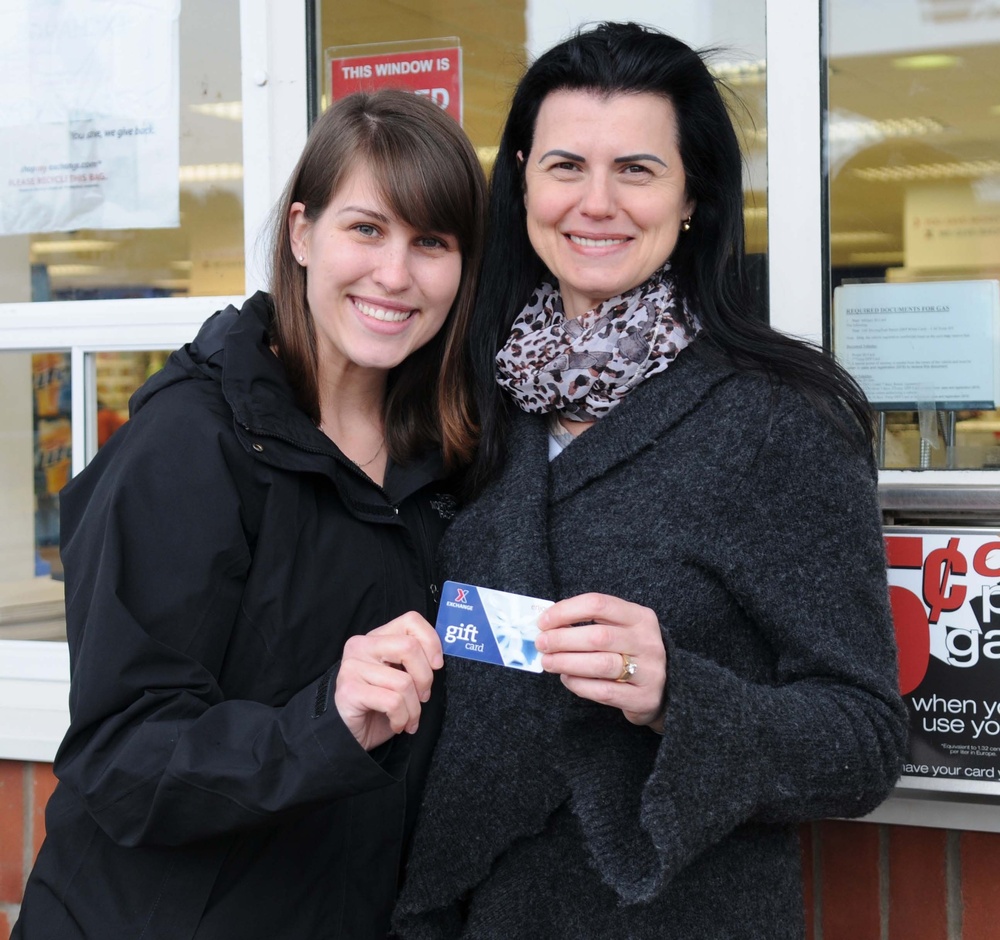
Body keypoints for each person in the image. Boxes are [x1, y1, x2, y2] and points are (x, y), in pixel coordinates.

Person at [393, 23, 907, 939]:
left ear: (692, 197)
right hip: (468, 911)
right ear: (520, 185)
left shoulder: (776, 423)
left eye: (635, 169)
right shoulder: (471, 395)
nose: (596, 203)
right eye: (564, 167)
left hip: (675, 916)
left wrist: (680, 696)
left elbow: (865, 742)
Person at [14, 89, 486, 940]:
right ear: (302, 233)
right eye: (367, 229)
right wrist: (325, 722)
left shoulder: (444, 455)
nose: (395, 274)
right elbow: (121, 757)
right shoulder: (192, 442)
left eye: (431, 243)